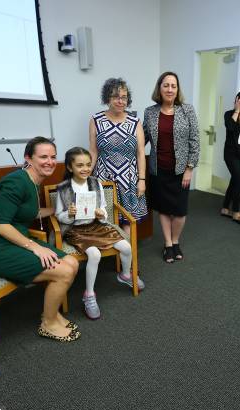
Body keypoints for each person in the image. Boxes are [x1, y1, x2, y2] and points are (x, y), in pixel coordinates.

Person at [0, 137, 80, 342]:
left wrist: (59, 210)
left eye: (53, 157)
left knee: (72, 262)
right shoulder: (15, 181)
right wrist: (34, 247)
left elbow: (29, 212)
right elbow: (0, 224)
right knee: (64, 272)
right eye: (43, 157)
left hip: (15, 240)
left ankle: (52, 314)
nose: (49, 161)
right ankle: (48, 324)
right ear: (28, 158)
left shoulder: (34, 181)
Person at [55, 147, 144, 320]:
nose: (85, 168)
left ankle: (125, 275)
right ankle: (89, 295)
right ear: (69, 167)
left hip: (96, 226)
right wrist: (69, 214)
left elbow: (103, 207)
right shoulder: (63, 188)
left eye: (88, 164)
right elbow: (59, 216)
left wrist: (100, 213)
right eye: (80, 165)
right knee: (94, 254)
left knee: (126, 247)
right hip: (76, 230)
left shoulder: (96, 183)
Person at [143, 71, 200, 263]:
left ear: (177, 89)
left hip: (180, 171)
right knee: (164, 209)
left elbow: (195, 140)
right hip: (158, 170)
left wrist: (189, 168)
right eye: (165, 85)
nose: (169, 89)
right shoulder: (150, 112)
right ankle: (168, 244)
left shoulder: (187, 110)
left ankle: (176, 241)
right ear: (159, 88)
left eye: (173, 86)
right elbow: (142, 138)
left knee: (180, 211)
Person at [89, 77, 147, 236]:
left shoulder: (135, 122)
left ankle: (127, 258)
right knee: (105, 218)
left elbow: (141, 152)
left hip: (129, 178)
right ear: (108, 97)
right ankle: (110, 253)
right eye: (116, 97)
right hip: (103, 177)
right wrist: (85, 177)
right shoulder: (96, 120)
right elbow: (93, 151)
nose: (120, 101)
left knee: (128, 220)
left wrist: (142, 180)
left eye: (124, 97)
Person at [220, 91, 240, 225]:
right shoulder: (229, 114)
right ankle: (236, 212)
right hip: (231, 154)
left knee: (234, 181)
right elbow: (230, 127)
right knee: (239, 182)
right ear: (237, 101)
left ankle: (225, 208)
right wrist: (237, 111)